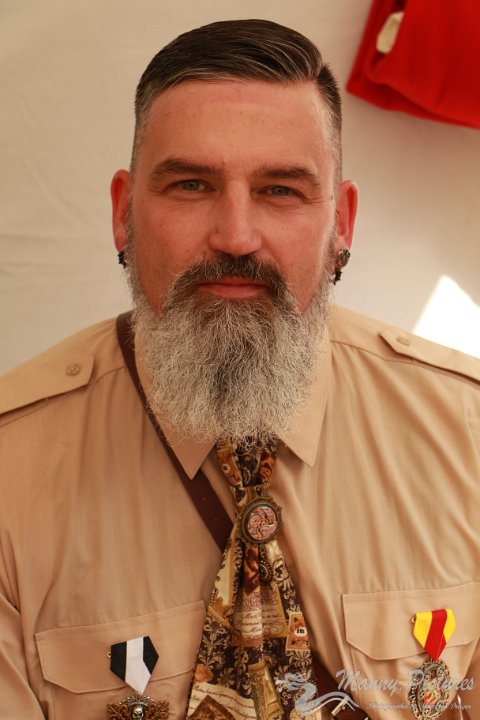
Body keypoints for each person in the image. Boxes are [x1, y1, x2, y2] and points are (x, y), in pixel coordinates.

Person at [0, 18, 478, 720]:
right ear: (123, 214)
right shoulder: (10, 471)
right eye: (191, 184)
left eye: (280, 190)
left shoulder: (467, 434)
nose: (235, 235)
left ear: (342, 225)